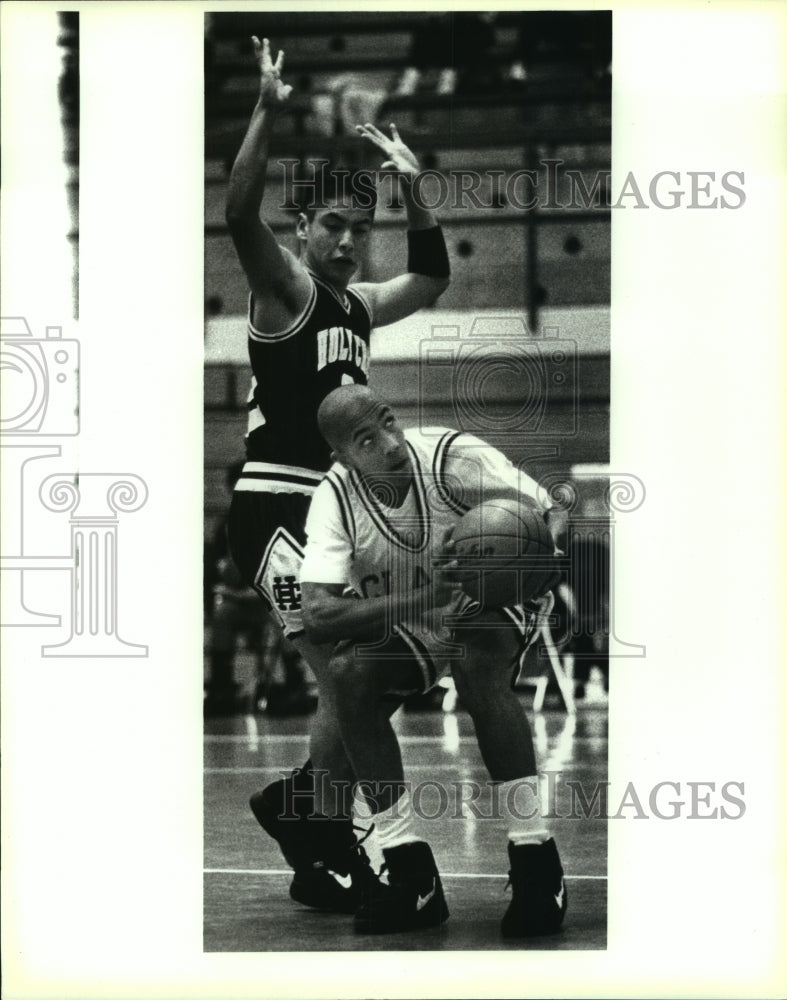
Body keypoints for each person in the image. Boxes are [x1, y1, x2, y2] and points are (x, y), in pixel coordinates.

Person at [222, 37, 450, 912]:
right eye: (335, 227)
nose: (351, 242)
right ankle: (312, 819)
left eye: (361, 229)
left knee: (363, 673)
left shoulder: (358, 306)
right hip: (274, 506)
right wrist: (267, 108)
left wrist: (415, 188)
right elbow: (240, 213)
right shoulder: (286, 290)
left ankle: (305, 822)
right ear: (304, 231)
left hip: (324, 512)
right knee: (350, 664)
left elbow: (429, 276)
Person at [298, 384, 568, 937]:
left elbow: (551, 515)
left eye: (388, 422)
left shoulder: (452, 458)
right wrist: (426, 598)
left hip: (488, 599)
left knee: (474, 662)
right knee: (348, 673)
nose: (389, 443)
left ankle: (535, 856)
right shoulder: (335, 498)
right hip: (418, 610)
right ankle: (409, 870)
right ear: (343, 457)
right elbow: (319, 614)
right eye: (366, 440)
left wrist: (523, 563)